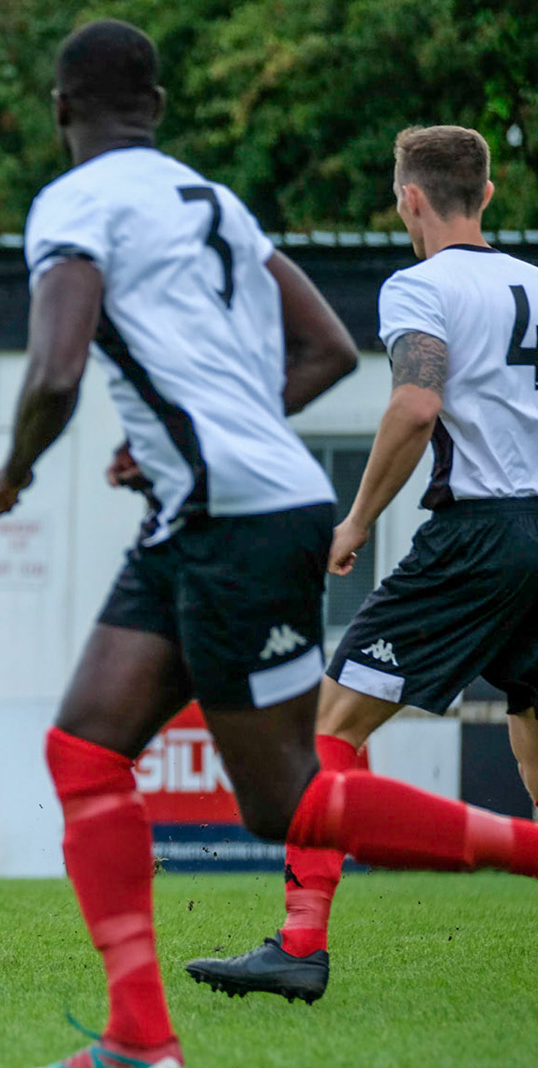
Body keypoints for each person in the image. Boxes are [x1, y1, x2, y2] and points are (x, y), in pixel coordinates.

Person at [0, 21, 538, 1068]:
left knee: (288, 797)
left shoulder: (76, 202)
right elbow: (325, 346)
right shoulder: (214, 200)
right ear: (163, 106)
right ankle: (140, 1035)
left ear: (61, 110)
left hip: (234, 517)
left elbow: (52, 369)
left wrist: (15, 470)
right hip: (216, 506)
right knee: (86, 748)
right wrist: (209, 440)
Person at [188, 126, 538, 1003]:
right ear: (488, 195)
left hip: (480, 537)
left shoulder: (420, 286)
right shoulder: (535, 283)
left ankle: (300, 945)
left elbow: (417, 406)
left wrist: (355, 521)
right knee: (533, 734)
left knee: (328, 732)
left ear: (409, 199)